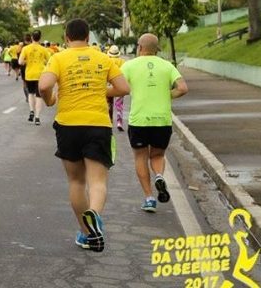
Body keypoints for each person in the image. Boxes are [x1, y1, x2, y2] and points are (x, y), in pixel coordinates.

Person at [39, 18, 129, 253]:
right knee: (97, 181)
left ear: (66, 38)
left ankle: (86, 232)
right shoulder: (103, 58)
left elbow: (44, 85)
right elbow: (123, 88)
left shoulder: (58, 58)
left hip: (68, 124)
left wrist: (50, 100)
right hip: (98, 124)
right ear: (88, 37)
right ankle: (95, 217)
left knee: (76, 181)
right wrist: (101, 90)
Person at [120, 34, 188, 213]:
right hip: (162, 121)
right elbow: (182, 88)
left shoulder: (128, 65)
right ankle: (158, 175)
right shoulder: (167, 66)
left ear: (139, 47)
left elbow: (119, 87)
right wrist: (167, 95)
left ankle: (149, 198)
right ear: (156, 49)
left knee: (140, 157)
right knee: (157, 156)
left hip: (139, 121)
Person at [18, 30, 52, 126]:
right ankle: (37, 117)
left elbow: (20, 62)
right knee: (39, 96)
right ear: (40, 38)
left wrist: (26, 62)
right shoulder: (43, 49)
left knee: (31, 93)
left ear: (32, 38)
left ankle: (31, 110)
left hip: (29, 74)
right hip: (40, 74)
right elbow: (49, 61)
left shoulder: (25, 49)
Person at [106, 45, 126, 132]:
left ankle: (109, 122)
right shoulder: (122, 61)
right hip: (119, 84)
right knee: (119, 105)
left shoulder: (107, 60)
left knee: (109, 104)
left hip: (109, 85)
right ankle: (119, 122)